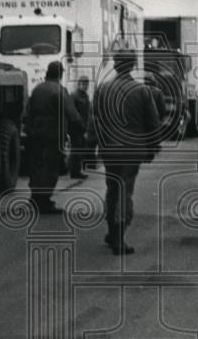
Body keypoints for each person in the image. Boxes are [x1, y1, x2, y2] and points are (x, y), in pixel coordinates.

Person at [93, 49, 160, 255]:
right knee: (124, 191)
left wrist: (96, 147)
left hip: (109, 150)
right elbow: (153, 123)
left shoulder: (102, 89)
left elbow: (95, 121)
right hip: (132, 150)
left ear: (114, 65)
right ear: (132, 66)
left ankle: (111, 232)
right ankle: (118, 239)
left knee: (112, 188)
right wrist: (152, 147)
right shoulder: (141, 91)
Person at [24, 61, 84, 214]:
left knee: (36, 167)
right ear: (60, 74)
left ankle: (35, 197)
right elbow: (71, 113)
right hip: (53, 136)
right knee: (51, 168)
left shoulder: (37, 89)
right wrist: (80, 127)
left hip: (35, 135)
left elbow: (27, 113)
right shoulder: (59, 90)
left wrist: (29, 129)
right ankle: (44, 201)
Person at [68, 76, 92, 179]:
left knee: (81, 150)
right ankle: (74, 172)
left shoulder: (85, 96)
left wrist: (86, 127)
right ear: (79, 84)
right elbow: (72, 113)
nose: (86, 86)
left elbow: (87, 113)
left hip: (83, 127)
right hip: (75, 128)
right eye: (84, 84)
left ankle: (78, 170)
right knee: (76, 150)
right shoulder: (74, 96)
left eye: (87, 84)